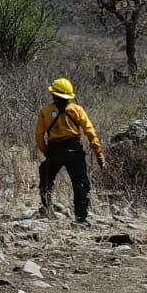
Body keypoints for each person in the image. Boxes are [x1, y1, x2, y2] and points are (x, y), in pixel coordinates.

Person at [35, 77, 106, 225]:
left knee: (46, 178)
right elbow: (90, 132)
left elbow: (39, 136)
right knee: (80, 183)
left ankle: (48, 211)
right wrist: (99, 153)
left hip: (55, 150)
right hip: (74, 150)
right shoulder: (76, 110)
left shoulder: (46, 111)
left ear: (54, 94)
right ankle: (81, 218)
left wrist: (48, 154)